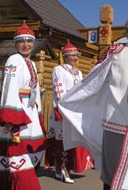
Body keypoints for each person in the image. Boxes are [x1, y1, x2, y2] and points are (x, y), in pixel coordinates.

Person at [58, 9, 128, 190]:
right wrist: (73, 99)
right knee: (113, 167)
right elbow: (95, 78)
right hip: (113, 119)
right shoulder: (115, 50)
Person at [0, 21, 46, 189]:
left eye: (29, 41)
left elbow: (34, 92)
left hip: (30, 114)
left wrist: (38, 115)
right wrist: (12, 118)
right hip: (18, 117)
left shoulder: (30, 63)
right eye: (21, 41)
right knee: (19, 157)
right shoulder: (14, 59)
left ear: (34, 42)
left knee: (35, 150)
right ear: (15, 44)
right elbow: (9, 88)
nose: (26, 45)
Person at [44, 40, 94, 183]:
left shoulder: (79, 72)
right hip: (62, 110)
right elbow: (58, 89)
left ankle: (68, 167)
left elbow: (81, 91)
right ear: (65, 56)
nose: (74, 58)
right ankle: (61, 169)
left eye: (76, 55)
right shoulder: (58, 70)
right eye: (71, 55)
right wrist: (63, 108)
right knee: (61, 141)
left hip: (75, 111)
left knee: (72, 141)